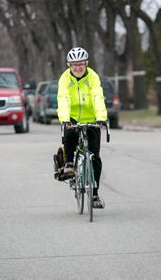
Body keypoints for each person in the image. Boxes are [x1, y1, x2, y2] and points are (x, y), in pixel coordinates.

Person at [56, 47, 108, 209]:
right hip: (71, 118)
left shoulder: (92, 76)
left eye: (80, 64)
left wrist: (101, 117)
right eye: (73, 65)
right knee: (70, 136)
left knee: (95, 157)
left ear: (86, 64)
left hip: (91, 118)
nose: (77, 68)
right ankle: (70, 163)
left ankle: (94, 194)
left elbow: (97, 96)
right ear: (69, 66)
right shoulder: (65, 78)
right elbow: (63, 98)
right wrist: (65, 120)